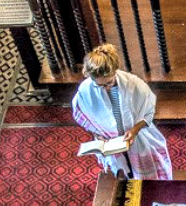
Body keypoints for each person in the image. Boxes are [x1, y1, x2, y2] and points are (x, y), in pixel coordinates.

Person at [72, 43, 172, 180]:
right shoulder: (86, 89)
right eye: (99, 85)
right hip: (110, 144)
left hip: (136, 138)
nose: (105, 88)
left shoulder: (134, 84)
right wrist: (97, 133)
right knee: (122, 174)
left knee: (144, 175)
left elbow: (149, 112)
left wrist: (135, 130)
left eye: (109, 83)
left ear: (114, 72)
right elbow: (84, 116)